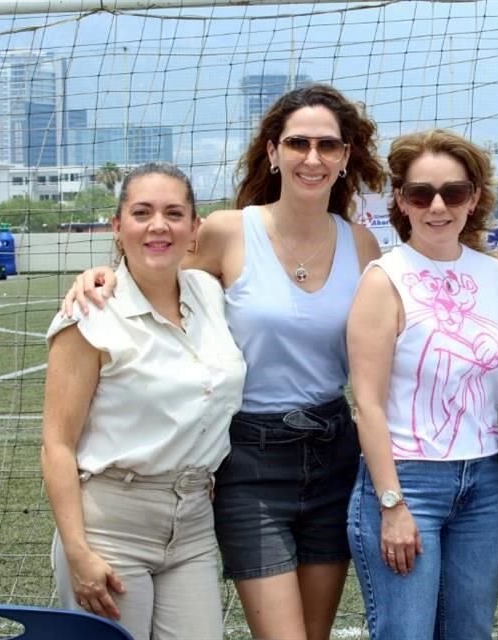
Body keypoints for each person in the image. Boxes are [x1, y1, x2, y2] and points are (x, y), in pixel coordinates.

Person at [62, 84, 387, 640]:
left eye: (328, 146)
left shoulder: (362, 245)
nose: (313, 157)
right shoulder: (228, 230)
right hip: (252, 461)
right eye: (298, 143)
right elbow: (154, 262)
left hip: (334, 454)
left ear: (345, 157)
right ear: (272, 153)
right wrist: (103, 275)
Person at [41, 162, 246, 640]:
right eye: (142, 212)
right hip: (110, 528)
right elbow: (56, 445)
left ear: (195, 228)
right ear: (117, 226)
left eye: (175, 213)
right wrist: (78, 551)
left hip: (193, 524)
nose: (159, 225)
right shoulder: (89, 315)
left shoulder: (211, 293)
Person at [347, 130, 498, 639]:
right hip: (408, 480)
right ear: (402, 201)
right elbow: (367, 404)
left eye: (453, 193)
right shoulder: (383, 278)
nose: (438, 206)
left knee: (469, 632)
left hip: (482, 480)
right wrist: (392, 504)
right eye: (421, 194)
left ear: (474, 198)